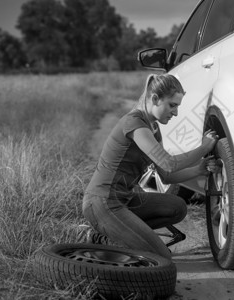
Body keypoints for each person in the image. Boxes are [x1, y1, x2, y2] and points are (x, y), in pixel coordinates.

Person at [82, 73, 218, 259]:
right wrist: (203, 148)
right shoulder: (134, 123)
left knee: (177, 207)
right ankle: (112, 233)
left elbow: (166, 176)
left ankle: (105, 235)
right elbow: (168, 164)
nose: (176, 113)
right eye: (172, 105)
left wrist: (198, 170)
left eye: (177, 106)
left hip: (125, 199)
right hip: (102, 202)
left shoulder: (153, 127)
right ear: (155, 99)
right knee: (162, 259)